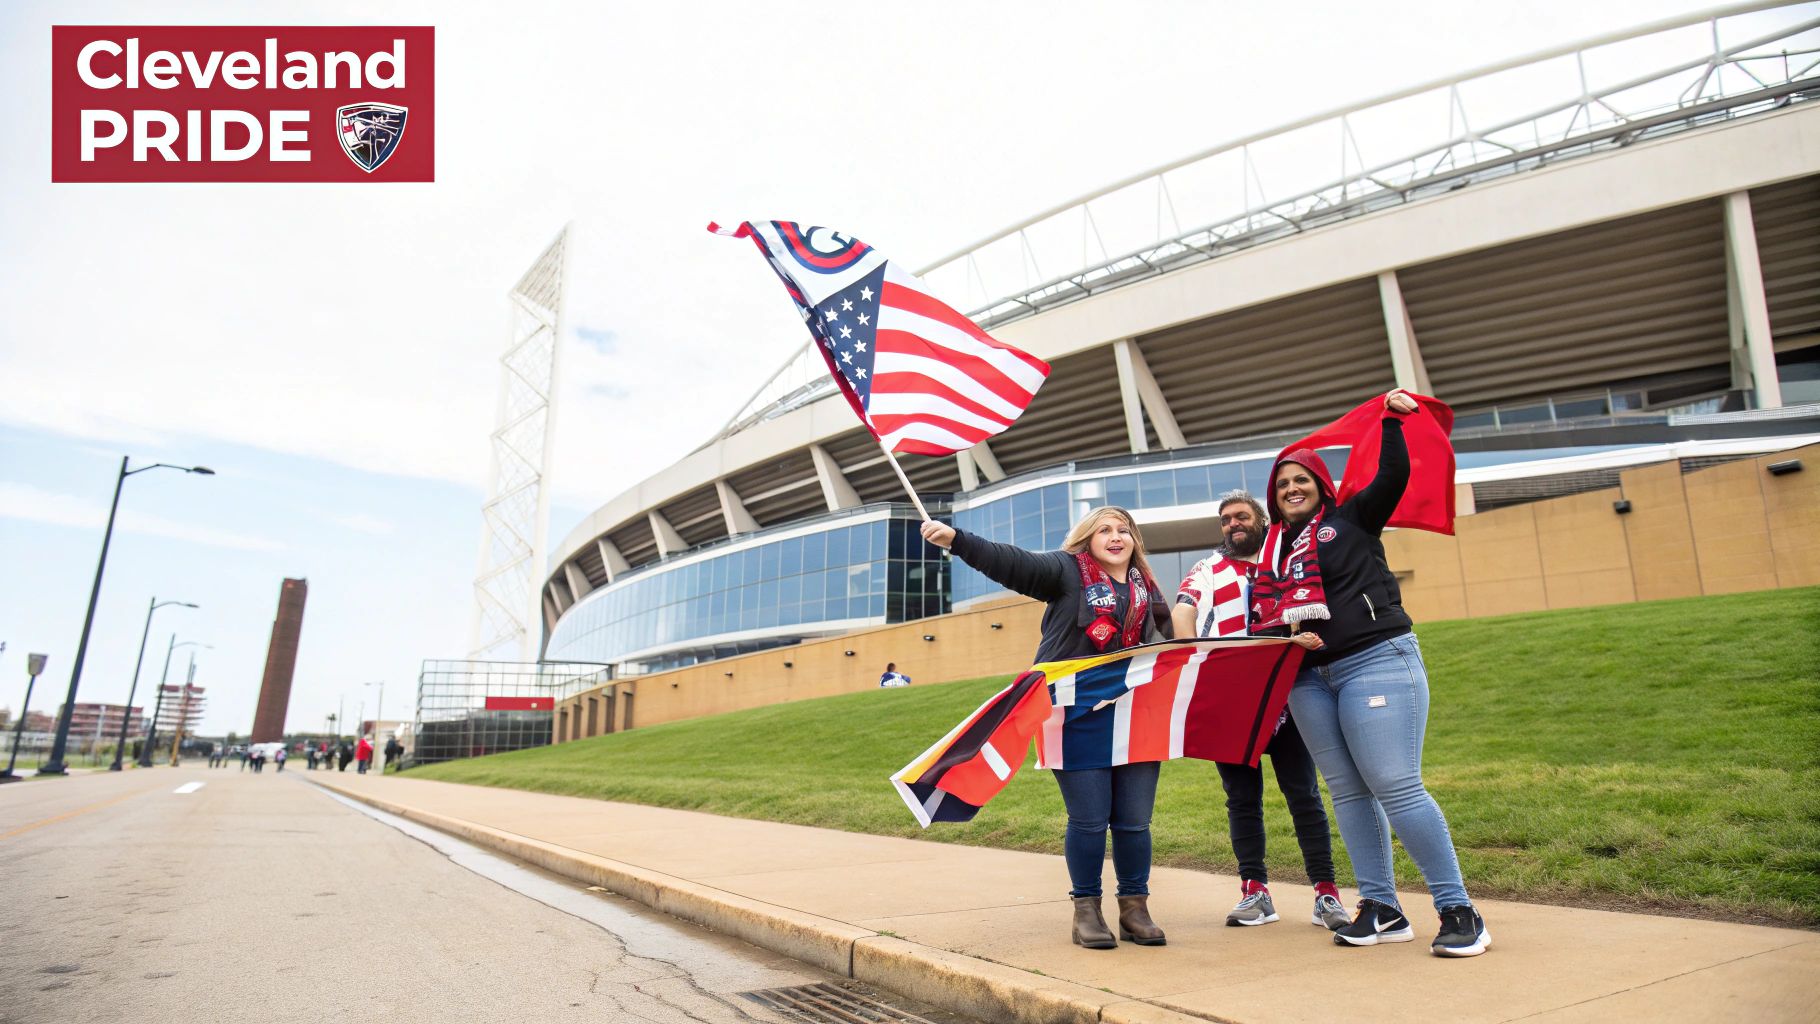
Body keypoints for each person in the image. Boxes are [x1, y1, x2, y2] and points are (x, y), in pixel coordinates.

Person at [1254, 388, 1490, 957]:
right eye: (1282, 484)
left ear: (1321, 487)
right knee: (1348, 794)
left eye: (1301, 479)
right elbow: (1261, 626)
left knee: (1394, 783)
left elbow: (1393, 474)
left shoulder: (1354, 518)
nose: (1292, 489)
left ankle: (1459, 909)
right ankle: (1381, 907)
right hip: (1309, 680)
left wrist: (1390, 420)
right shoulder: (1272, 558)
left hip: (1375, 661)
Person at [921, 506, 1174, 950]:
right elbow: (1014, 562)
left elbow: (1172, 646)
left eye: (1123, 530)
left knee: (1134, 822)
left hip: (1135, 715)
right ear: (1087, 540)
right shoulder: (1065, 571)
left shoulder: (1145, 588)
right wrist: (957, 541)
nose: (1115, 537)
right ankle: (1087, 912)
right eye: (1104, 531)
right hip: (1074, 714)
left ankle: (1135, 909)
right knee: (1091, 820)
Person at [1174, 490, 1348, 932]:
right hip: (1231, 698)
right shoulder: (1206, 569)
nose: (1232, 524)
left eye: (1240, 516)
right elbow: (1183, 611)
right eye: (1225, 520)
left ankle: (1326, 894)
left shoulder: (1286, 560)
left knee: (1304, 795)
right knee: (1241, 800)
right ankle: (1255, 892)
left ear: (1260, 519)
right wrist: (1190, 654)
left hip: (1289, 695)